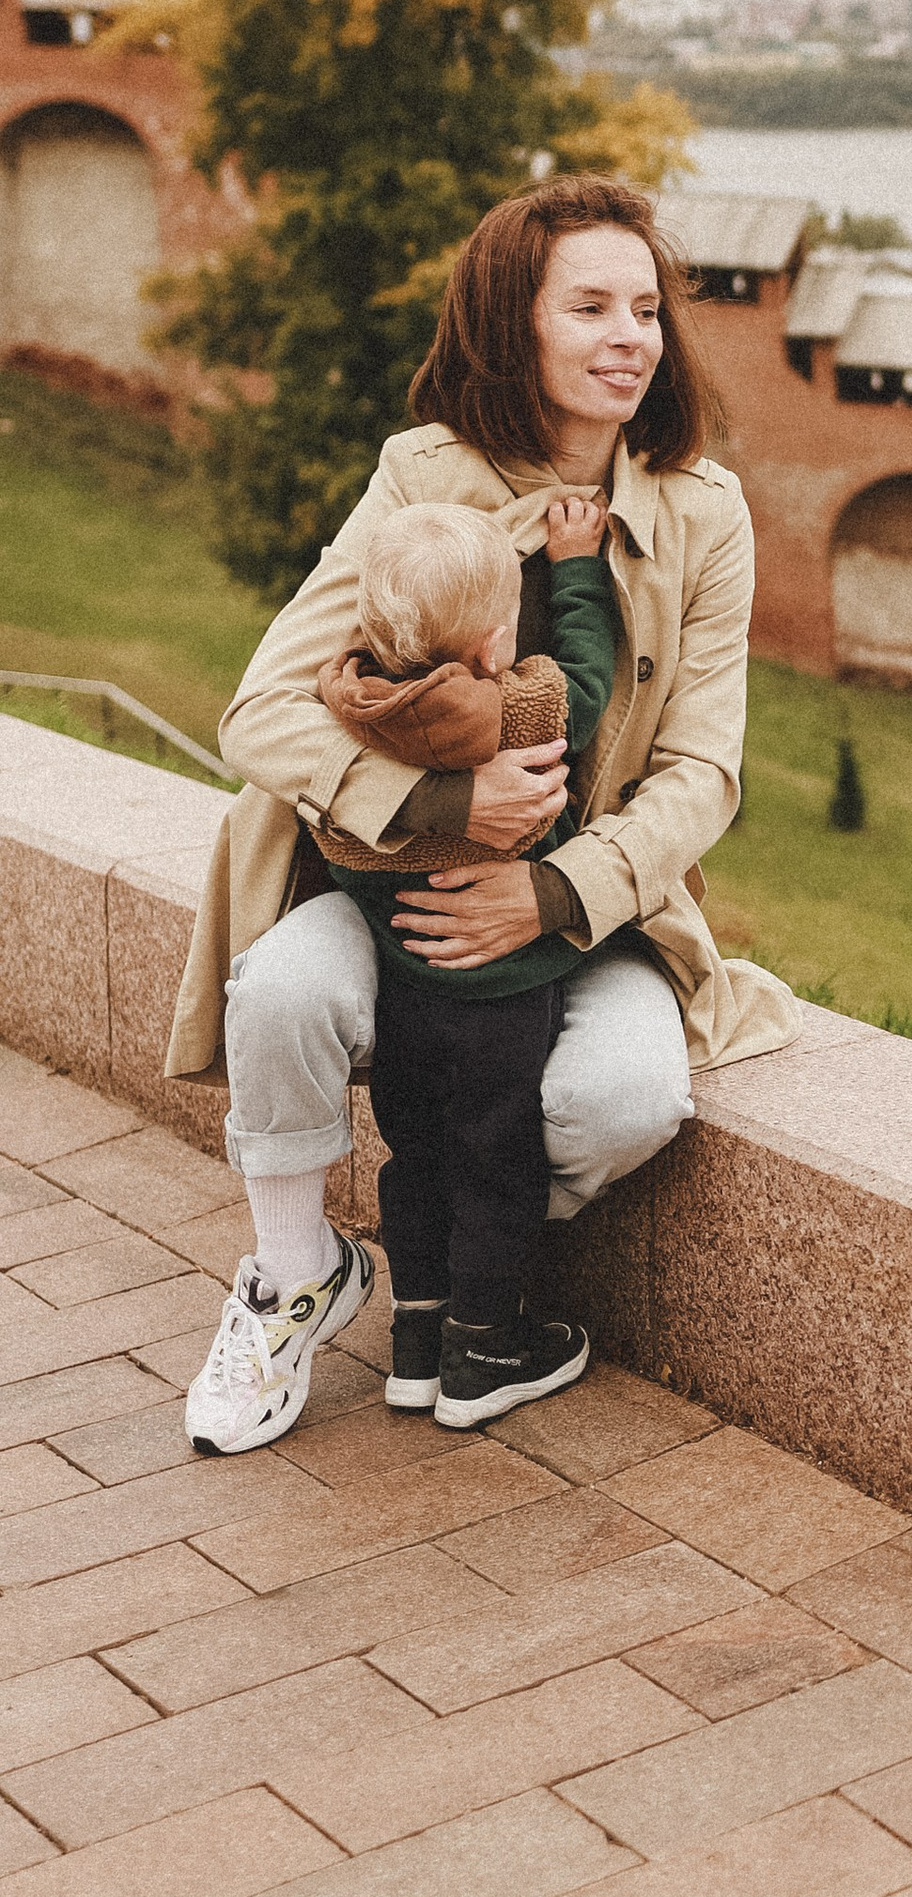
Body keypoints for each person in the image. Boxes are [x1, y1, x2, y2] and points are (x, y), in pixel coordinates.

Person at [174, 173, 797, 1458]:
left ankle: (459, 1262)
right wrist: (439, 802)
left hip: (593, 911)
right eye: (590, 306)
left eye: (646, 308)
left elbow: (704, 770)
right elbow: (260, 710)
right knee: (280, 993)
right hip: (398, 881)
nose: (632, 335)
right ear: (514, 322)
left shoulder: (703, 507)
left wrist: (553, 887)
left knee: (629, 1101)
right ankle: (297, 1272)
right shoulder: (421, 475)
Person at [303, 493, 618, 1431]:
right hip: (504, 999)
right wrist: (573, 567)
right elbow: (592, 675)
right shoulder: (524, 708)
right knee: (497, 1165)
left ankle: (414, 1344)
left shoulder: (351, 712)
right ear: (491, 646)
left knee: (419, 1158)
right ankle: (485, 1351)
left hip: (404, 1001)